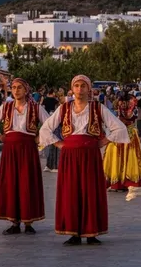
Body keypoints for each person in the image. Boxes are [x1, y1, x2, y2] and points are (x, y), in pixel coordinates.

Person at [38, 75, 129, 245]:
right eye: (76, 86)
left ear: (89, 89)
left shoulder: (97, 108)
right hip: (69, 155)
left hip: (90, 155)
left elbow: (119, 127)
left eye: (83, 86)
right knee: (71, 191)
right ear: (72, 89)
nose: (79, 90)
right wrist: (60, 144)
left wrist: (103, 141)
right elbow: (45, 129)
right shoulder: (64, 108)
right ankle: (74, 232)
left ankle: (91, 231)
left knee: (90, 190)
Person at [0, 78, 50, 235]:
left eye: (19, 88)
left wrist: (38, 138)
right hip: (10, 150)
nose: (16, 90)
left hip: (28, 149)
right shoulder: (6, 107)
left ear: (26, 90)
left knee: (28, 183)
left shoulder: (35, 108)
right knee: (11, 183)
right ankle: (14, 221)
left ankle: (28, 221)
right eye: (14, 88)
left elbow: (49, 125)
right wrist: (1, 137)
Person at [103, 93, 141, 191]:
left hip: (120, 132)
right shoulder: (132, 104)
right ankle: (122, 182)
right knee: (127, 157)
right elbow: (130, 116)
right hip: (128, 133)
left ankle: (117, 182)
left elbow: (125, 116)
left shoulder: (123, 104)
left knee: (116, 156)